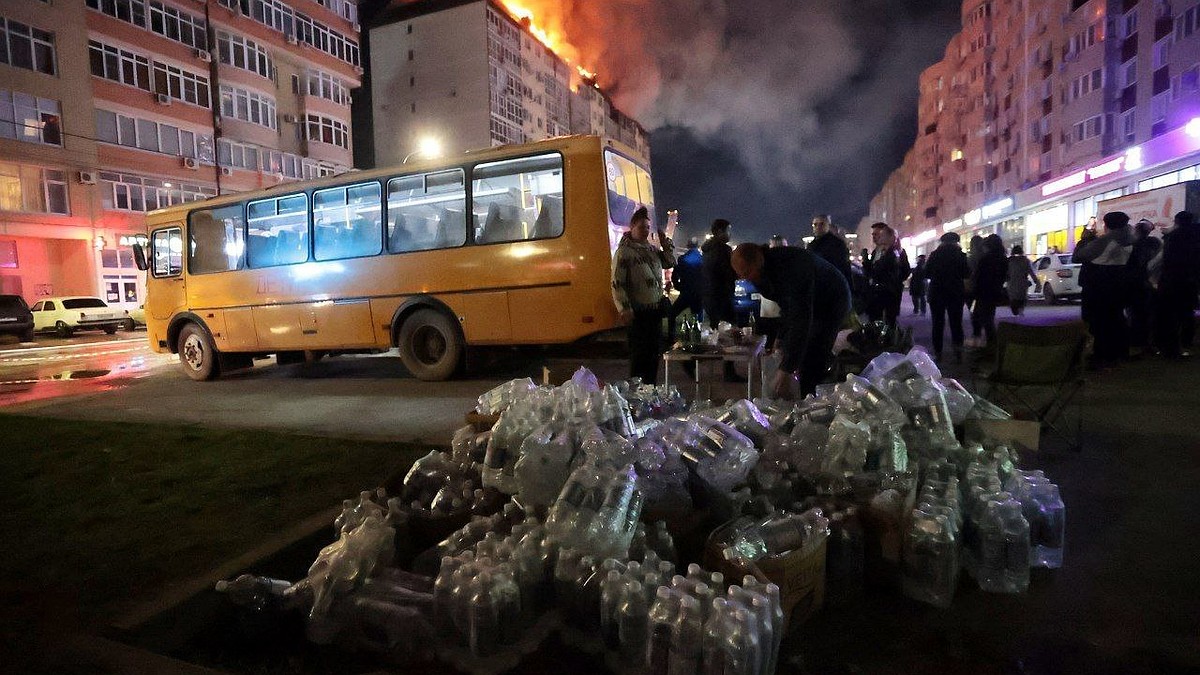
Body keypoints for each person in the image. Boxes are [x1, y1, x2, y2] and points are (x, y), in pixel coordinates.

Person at [731, 242, 850, 398]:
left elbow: (801, 318)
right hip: (809, 302)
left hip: (831, 302)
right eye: (740, 274)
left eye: (746, 273)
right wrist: (781, 336)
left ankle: (813, 404)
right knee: (791, 348)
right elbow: (787, 308)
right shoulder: (763, 273)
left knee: (812, 355)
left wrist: (786, 369)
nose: (743, 278)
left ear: (757, 263)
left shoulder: (792, 269)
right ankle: (797, 396)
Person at [611, 206, 675, 384]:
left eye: (648, 227)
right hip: (637, 313)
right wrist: (624, 308)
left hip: (654, 311)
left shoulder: (652, 250)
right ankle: (636, 396)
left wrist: (665, 243)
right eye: (641, 227)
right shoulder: (624, 253)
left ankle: (650, 391)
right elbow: (617, 283)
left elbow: (670, 262)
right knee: (639, 357)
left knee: (653, 355)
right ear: (632, 228)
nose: (645, 230)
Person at [1073, 210, 1134, 366]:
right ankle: (1119, 352)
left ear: (1107, 225)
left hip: (1100, 284)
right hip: (1119, 283)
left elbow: (1080, 256)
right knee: (1116, 318)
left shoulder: (1108, 240)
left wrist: (1085, 240)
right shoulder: (1130, 239)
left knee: (1098, 321)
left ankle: (1101, 354)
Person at [1154, 210, 1200, 358]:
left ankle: (1170, 346)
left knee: (1169, 314)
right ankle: (1186, 343)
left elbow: (1166, 260)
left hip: (1172, 279)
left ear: (1177, 221)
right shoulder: (1196, 236)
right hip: (1190, 280)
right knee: (1187, 313)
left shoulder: (1173, 237)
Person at [702, 218, 741, 381]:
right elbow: (729, 272)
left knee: (715, 336)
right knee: (729, 335)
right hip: (723, 297)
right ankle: (729, 372)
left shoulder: (707, 249)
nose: (730, 234)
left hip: (710, 297)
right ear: (719, 232)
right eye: (728, 230)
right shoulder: (723, 250)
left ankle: (710, 370)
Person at [924, 232, 971, 363]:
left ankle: (938, 353)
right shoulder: (961, 256)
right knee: (956, 323)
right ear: (956, 242)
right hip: (955, 293)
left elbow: (927, 273)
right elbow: (967, 273)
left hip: (937, 292)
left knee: (937, 324)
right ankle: (958, 353)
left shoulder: (935, 255)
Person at [861, 222, 910, 328]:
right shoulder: (876, 251)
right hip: (874, 292)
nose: (875, 237)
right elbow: (870, 271)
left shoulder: (897, 252)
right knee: (874, 320)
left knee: (889, 321)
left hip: (889, 293)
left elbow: (905, 271)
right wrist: (866, 262)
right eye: (873, 235)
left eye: (877, 234)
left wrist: (893, 281)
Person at [1126, 219, 1162, 356]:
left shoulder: (1132, 245)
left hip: (1135, 284)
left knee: (1135, 314)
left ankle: (1137, 341)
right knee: (1146, 314)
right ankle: (1147, 342)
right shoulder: (1154, 243)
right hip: (1148, 284)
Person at [971, 234, 1008, 350]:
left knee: (982, 317)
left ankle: (991, 346)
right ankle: (991, 344)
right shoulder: (1003, 259)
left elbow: (978, 276)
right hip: (995, 291)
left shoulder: (985, 259)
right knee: (988, 317)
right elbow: (1005, 276)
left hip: (982, 292)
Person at [668, 238, 703, 344]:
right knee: (698, 318)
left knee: (672, 314)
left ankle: (671, 338)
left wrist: (678, 286)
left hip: (686, 293)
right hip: (698, 294)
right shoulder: (702, 259)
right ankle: (697, 339)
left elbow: (675, 275)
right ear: (697, 246)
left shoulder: (682, 259)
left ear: (688, 246)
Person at [808, 215, 852, 285]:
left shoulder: (837, 244)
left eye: (822, 224)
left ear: (828, 226)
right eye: (815, 224)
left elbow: (844, 267)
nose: (818, 227)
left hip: (833, 283)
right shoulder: (811, 246)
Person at [1005, 245, 1038, 316]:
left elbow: (1005, 272)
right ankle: (1020, 312)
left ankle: (1016, 312)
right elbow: (1031, 272)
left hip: (1011, 284)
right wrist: (1036, 282)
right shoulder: (1025, 261)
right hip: (1023, 283)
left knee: (1013, 299)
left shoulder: (1009, 261)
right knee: (1022, 299)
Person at [965, 234, 986, 345]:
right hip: (983, 289)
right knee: (982, 312)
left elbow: (966, 274)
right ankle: (981, 334)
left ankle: (977, 333)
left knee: (974, 312)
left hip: (971, 290)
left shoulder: (970, 259)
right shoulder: (985, 257)